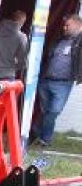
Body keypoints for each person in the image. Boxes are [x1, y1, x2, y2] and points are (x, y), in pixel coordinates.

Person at [34, 14, 82, 146]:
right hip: (45, 80)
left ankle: (43, 136)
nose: (64, 27)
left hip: (63, 84)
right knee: (45, 110)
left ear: (78, 25)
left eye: (68, 25)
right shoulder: (60, 40)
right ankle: (40, 137)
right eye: (64, 25)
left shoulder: (79, 42)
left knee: (54, 111)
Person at [0, 9, 28, 86]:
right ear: (22, 23)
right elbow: (23, 61)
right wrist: (14, 67)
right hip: (7, 77)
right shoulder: (21, 37)